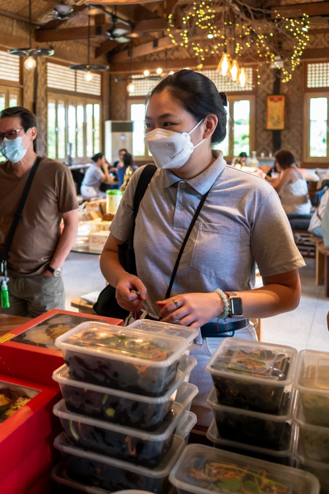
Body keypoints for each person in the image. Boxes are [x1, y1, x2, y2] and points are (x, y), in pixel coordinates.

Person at [100, 70, 304, 427]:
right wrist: (120, 280)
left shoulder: (252, 194)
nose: (155, 135)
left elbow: (287, 293)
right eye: (149, 124)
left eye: (168, 123)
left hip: (218, 356)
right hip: (145, 347)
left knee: (208, 459)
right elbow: (111, 254)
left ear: (207, 126)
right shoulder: (142, 181)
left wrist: (221, 303)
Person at [0, 107, 79, 318]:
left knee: (46, 342)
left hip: (43, 279)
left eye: (11, 134)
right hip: (5, 277)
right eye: (0, 136)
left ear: (32, 133)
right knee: (7, 341)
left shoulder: (57, 172)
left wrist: (53, 269)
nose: (4, 141)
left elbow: (71, 223)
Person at [267, 149, 312, 230]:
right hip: (304, 207)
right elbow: (285, 185)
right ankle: (292, 237)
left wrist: (263, 186)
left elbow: (277, 189)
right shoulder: (296, 170)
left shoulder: (289, 172)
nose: (276, 164)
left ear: (282, 161)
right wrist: (272, 181)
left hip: (296, 209)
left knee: (267, 212)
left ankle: (277, 238)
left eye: (277, 162)